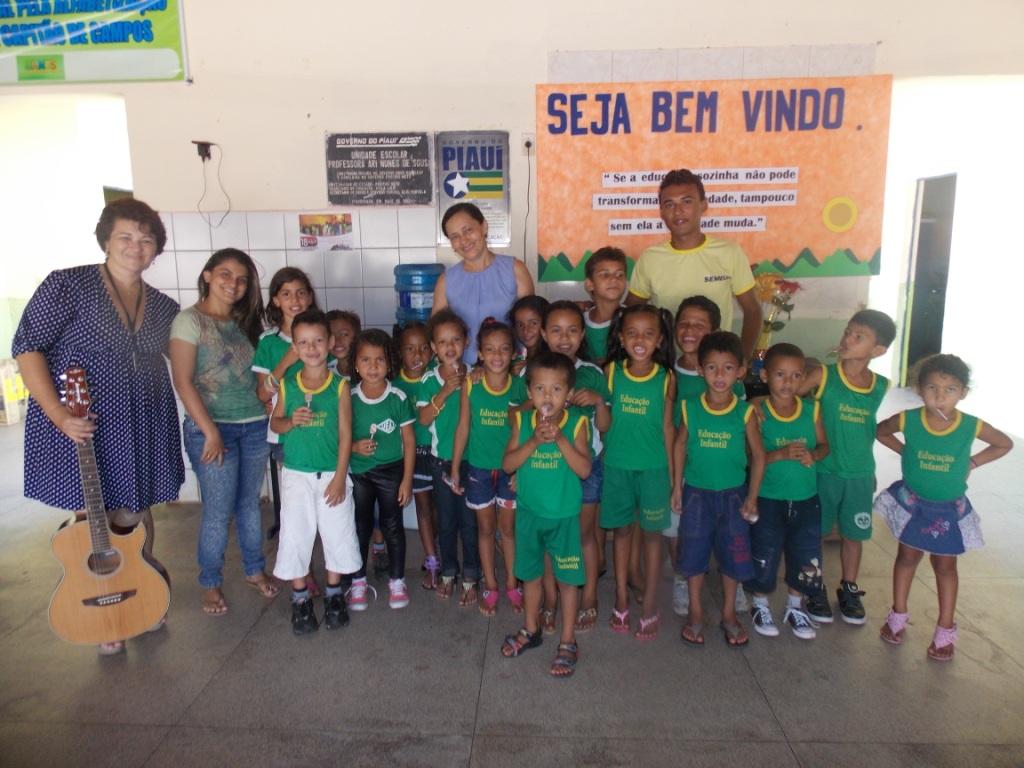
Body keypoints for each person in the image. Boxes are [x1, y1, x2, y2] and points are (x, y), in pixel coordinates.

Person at [13, 197, 184, 655]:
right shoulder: (66, 286)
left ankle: (143, 592)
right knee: (94, 518)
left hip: (144, 421)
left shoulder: (164, 306)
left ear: (156, 249)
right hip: (82, 422)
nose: (136, 246)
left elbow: (191, 361)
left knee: (136, 510)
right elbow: (28, 348)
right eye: (126, 236)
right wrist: (59, 415)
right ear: (106, 238)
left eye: (146, 239)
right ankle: (105, 609)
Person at [875, 354, 1012, 661]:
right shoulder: (908, 419)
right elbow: (881, 431)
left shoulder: (970, 426)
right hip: (913, 505)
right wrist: (905, 451)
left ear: (963, 392)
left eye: (950, 389)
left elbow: (1004, 443)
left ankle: (945, 629)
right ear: (918, 389)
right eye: (932, 388)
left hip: (948, 509)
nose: (939, 396)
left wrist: (973, 462)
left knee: (945, 567)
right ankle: (897, 615)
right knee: (906, 558)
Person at [169, 248, 279, 617]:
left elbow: (260, 378)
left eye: (242, 279)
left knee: (249, 504)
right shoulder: (189, 321)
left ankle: (253, 569)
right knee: (218, 511)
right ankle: (210, 583)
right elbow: (183, 382)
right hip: (211, 429)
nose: (234, 284)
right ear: (207, 275)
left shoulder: (247, 325)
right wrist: (210, 431)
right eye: (226, 274)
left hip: (253, 426)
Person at [799, 309, 896, 625]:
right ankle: (814, 585)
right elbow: (790, 399)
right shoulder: (824, 375)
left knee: (854, 535)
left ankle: (849, 587)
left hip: (860, 474)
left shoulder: (881, 385)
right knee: (817, 532)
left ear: (877, 351)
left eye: (859, 337)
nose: (847, 339)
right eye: (847, 332)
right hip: (825, 471)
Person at [499, 350, 592, 678]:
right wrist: (534, 442)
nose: (547, 396)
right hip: (529, 515)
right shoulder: (522, 422)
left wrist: (561, 438)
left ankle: (568, 640)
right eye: (540, 389)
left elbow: (583, 469)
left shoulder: (579, 423)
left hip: (564, 518)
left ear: (568, 394)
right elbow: (508, 464)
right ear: (529, 392)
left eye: (556, 389)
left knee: (568, 580)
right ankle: (530, 628)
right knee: (531, 575)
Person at [269, 310, 361, 635]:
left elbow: (347, 434)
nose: (312, 348)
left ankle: (335, 595)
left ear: (330, 343)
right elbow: (275, 423)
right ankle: (300, 598)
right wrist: (291, 421)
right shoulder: (287, 384)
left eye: (318, 341)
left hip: (331, 473)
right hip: (296, 475)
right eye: (304, 343)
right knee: (296, 533)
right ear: (294, 346)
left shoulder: (340, 386)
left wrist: (339, 477)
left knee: (338, 532)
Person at [672, 331, 765, 647]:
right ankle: (695, 611)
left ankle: (728, 613)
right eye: (711, 367)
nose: (719, 375)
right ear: (700, 369)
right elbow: (680, 445)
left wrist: (752, 497)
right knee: (694, 555)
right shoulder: (690, 408)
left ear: (741, 371)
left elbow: (759, 455)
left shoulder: (745, 412)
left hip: (734, 497)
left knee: (734, 555)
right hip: (696, 494)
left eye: (728, 368)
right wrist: (676, 487)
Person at [627, 168, 762, 358]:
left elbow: (753, 310)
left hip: (717, 370)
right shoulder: (650, 258)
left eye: (687, 201)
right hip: (668, 367)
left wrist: (743, 359)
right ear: (661, 212)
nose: (678, 211)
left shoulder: (729, 253)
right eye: (669, 204)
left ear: (703, 205)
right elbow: (629, 313)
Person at [601, 304, 676, 641]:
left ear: (660, 340)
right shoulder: (612, 372)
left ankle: (649, 602)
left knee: (652, 536)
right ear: (621, 336)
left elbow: (668, 430)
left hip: (654, 470)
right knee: (621, 535)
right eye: (632, 333)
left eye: (648, 333)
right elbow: (603, 420)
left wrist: (674, 480)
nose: (640, 340)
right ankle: (620, 596)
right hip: (617, 467)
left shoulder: (666, 378)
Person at [670, 295, 748, 618]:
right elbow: (672, 432)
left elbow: (744, 434)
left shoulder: (733, 387)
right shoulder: (670, 374)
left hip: (724, 475)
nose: (690, 330)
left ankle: (735, 582)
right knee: (681, 532)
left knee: (730, 532)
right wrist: (674, 480)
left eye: (699, 325)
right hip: (686, 471)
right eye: (684, 323)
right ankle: (681, 577)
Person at [745, 343, 829, 640]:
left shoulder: (811, 409)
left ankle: (795, 605)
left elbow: (824, 445)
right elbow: (750, 458)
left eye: (796, 376)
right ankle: (760, 603)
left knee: (806, 554)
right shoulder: (756, 412)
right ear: (765, 376)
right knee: (764, 553)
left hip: (806, 499)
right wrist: (778, 454)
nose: (788, 382)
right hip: (769, 499)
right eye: (780, 375)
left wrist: (814, 456)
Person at [540, 301, 611, 632]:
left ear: (582, 334)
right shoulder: (534, 370)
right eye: (555, 330)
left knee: (584, 534)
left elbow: (606, 426)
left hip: (587, 467)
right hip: (548, 469)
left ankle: (590, 597)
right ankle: (551, 600)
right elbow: (523, 413)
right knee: (551, 536)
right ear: (543, 334)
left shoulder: (592, 374)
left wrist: (596, 401)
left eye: (572, 330)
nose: (564, 338)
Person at [451, 320, 527, 617]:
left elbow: (529, 432)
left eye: (504, 349)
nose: (497, 356)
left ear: (514, 353)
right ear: (480, 353)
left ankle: (512, 583)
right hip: (479, 470)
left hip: (510, 471)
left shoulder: (521, 387)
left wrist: (522, 470)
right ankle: (491, 585)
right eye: (490, 350)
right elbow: (463, 426)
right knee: (485, 529)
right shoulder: (472, 383)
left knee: (507, 530)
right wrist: (456, 466)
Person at [251, 267, 320, 595]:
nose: (295, 300)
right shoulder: (269, 342)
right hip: (287, 435)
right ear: (276, 300)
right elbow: (263, 394)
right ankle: (302, 576)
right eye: (287, 294)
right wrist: (289, 356)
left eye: (302, 292)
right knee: (297, 511)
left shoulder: (322, 333)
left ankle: (326, 569)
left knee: (324, 508)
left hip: (323, 436)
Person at [345, 329, 416, 610]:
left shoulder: (397, 397)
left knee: (392, 526)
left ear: (390, 363)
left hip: (391, 472)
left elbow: (409, 442)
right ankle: (358, 580)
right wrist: (353, 448)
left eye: (380, 360)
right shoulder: (348, 397)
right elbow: (339, 437)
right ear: (355, 364)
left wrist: (407, 480)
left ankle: (397, 581)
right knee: (359, 526)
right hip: (359, 473)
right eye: (366, 360)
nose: (373, 367)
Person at [417, 309, 480, 604]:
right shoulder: (429, 380)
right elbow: (424, 419)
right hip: (441, 461)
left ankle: (471, 574)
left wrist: (471, 380)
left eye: (456, 339)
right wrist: (444, 392)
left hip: (473, 461)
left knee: (470, 522)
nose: (450, 346)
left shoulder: (476, 374)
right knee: (446, 521)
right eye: (442, 342)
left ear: (466, 342)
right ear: (433, 348)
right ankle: (447, 572)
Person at [433, 202, 534, 364]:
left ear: (484, 227)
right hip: (462, 374)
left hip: (509, 371)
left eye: (468, 230)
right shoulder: (445, 281)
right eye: (455, 237)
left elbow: (531, 326)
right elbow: (437, 333)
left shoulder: (515, 269)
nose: (463, 240)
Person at [393, 321, 441, 590]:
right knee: (423, 508)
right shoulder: (396, 386)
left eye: (424, 348)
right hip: (416, 454)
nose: (418, 355)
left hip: (441, 452)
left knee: (439, 509)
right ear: (400, 352)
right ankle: (432, 559)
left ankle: (437, 547)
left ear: (433, 350)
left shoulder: (438, 376)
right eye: (410, 349)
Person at [582, 246, 628, 365]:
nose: (613, 279)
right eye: (605, 275)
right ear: (589, 284)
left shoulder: (633, 318)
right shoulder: (580, 321)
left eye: (619, 275)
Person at [510, 295, 549, 376]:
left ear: (546, 323)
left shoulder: (552, 362)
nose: (526, 330)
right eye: (520, 325)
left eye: (533, 323)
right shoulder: (516, 360)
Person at [326, 309, 360, 379]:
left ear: (356, 336)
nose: (337, 340)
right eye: (331, 335)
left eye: (344, 334)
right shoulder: (326, 372)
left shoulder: (370, 371)